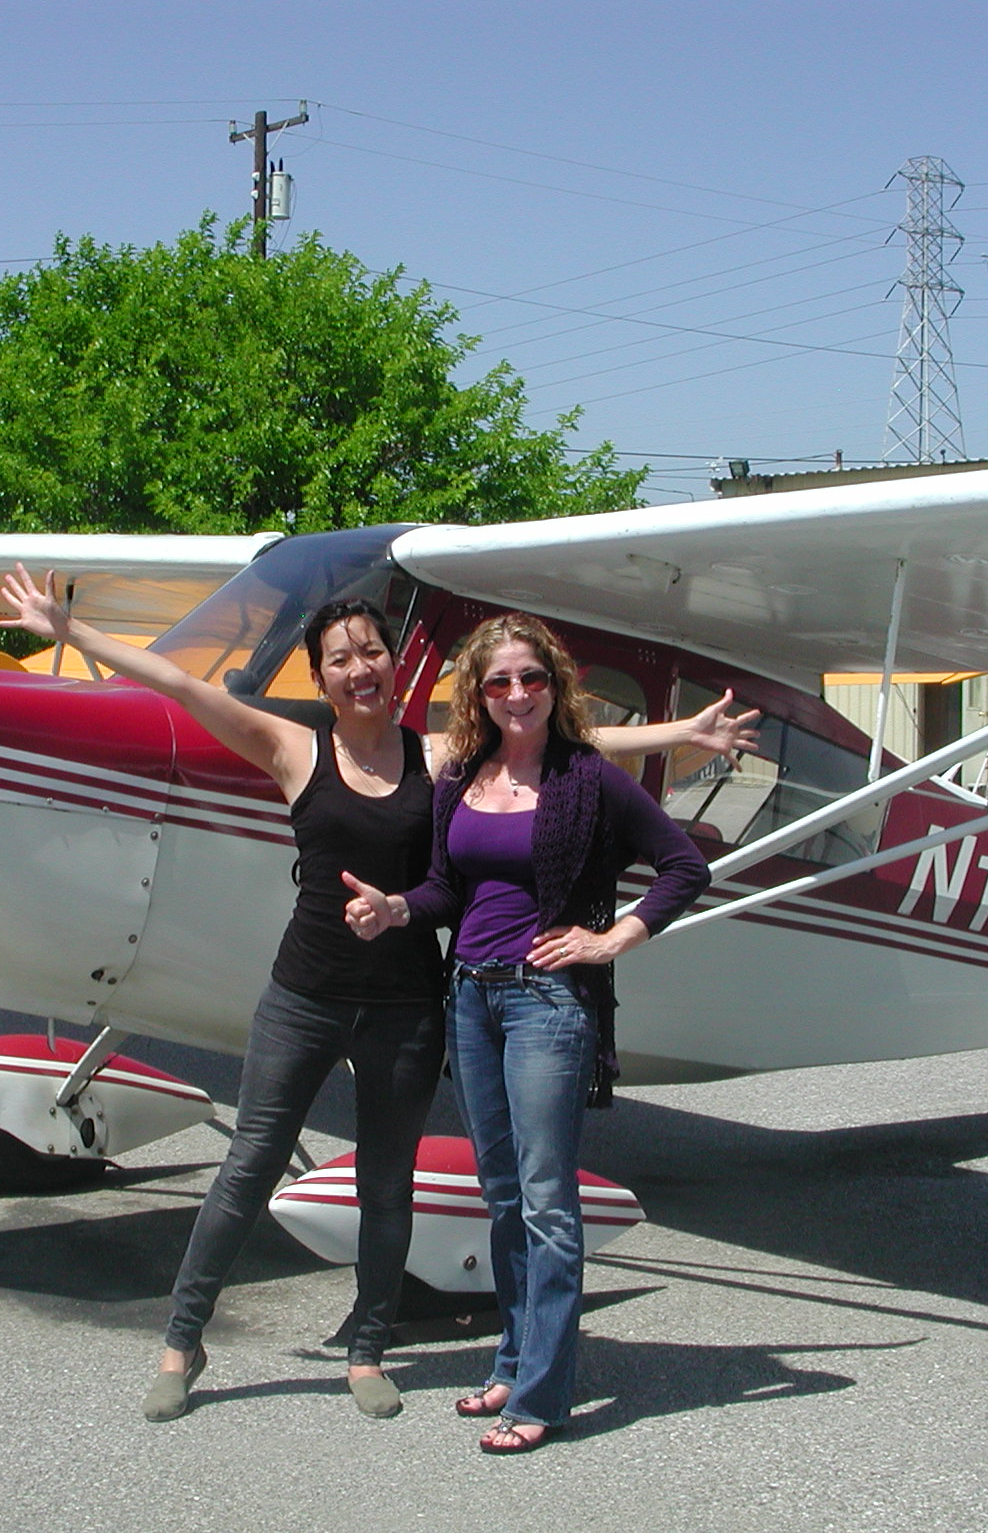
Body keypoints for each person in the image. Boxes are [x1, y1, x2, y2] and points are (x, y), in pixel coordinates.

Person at [0, 569, 750, 1424]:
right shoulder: (292, 748)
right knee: (247, 1167)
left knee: (388, 1186)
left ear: (396, 665)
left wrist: (682, 731)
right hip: (305, 993)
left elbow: (557, 743)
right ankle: (181, 1340)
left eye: (373, 653)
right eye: (339, 659)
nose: (360, 669)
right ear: (317, 678)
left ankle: (368, 1349)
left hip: (406, 1003)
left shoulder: (438, 756)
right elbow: (177, 684)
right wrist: (75, 635)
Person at [343, 612, 712, 1454]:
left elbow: (687, 866)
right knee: (502, 1193)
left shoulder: (590, 778)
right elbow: (445, 888)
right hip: (470, 998)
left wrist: (615, 936)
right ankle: (513, 1358)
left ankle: (543, 1393)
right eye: (499, 681)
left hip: (547, 1004)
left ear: (557, 685)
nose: (517, 694)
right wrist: (399, 909)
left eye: (532, 678)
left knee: (547, 1202)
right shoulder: (462, 778)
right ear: (479, 693)